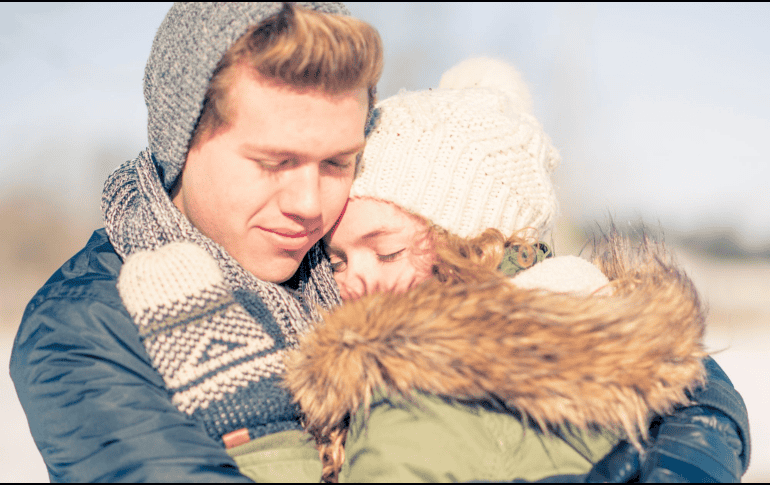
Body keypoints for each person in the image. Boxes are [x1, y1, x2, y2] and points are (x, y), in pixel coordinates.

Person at [281, 58, 751, 482]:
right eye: (336, 261)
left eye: (387, 252)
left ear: (471, 246)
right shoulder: (609, 330)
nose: (353, 282)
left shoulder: (416, 394)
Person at [10, 2, 382, 482]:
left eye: (337, 163)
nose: (310, 204)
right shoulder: (85, 327)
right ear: (181, 144)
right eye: (274, 163)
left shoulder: (371, 272)